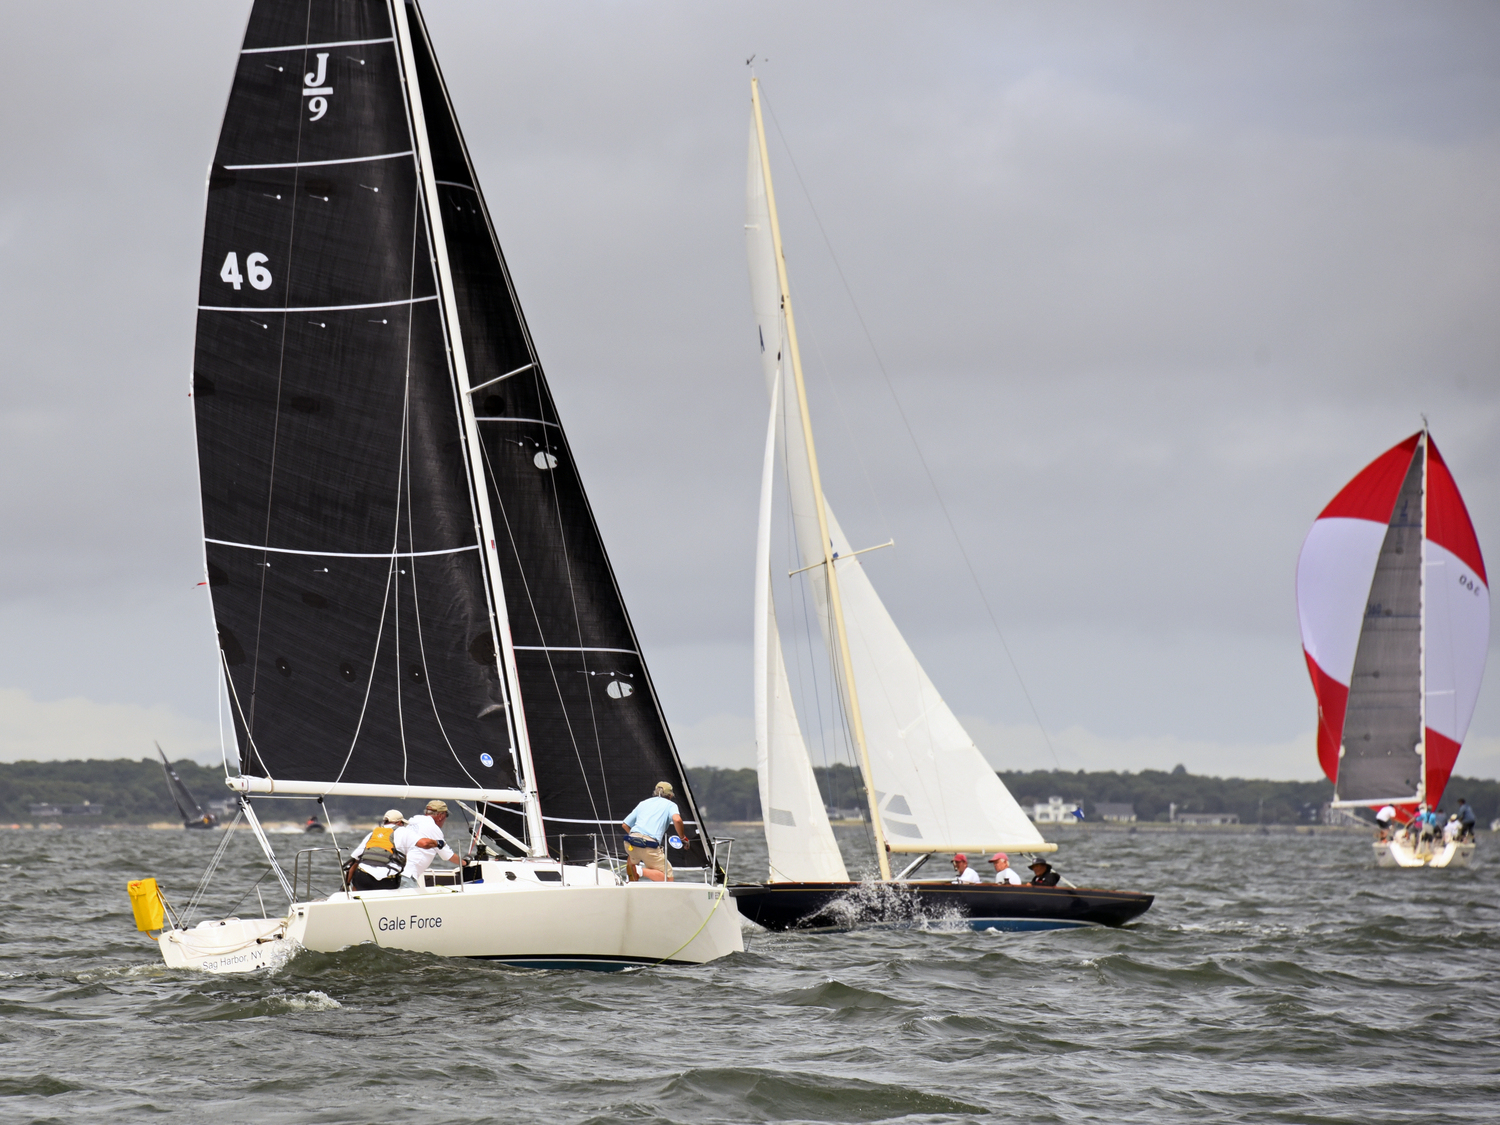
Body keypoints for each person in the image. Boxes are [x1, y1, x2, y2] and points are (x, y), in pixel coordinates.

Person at [620, 781, 692, 882]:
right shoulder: (671, 805)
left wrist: (636, 837)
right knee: (668, 878)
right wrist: (682, 837)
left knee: (633, 856)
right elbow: (677, 820)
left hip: (630, 842)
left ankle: (631, 880)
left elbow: (625, 824)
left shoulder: (643, 803)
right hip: (648, 845)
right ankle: (638, 870)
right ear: (670, 795)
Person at [400, 800, 464, 889]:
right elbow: (447, 856)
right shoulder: (433, 828)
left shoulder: (413, 821)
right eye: (446, 815)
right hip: (408, 876)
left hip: (397, 873)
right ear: (441, 816)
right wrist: (465, 863)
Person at [348, 810, 408, 891]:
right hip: (387, 880)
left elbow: (354, 861)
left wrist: (346, 884)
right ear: (399, 822)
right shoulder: (403, 833)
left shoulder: (372, 834)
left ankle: (353, 900)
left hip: (363, 878)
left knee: (358, 877)